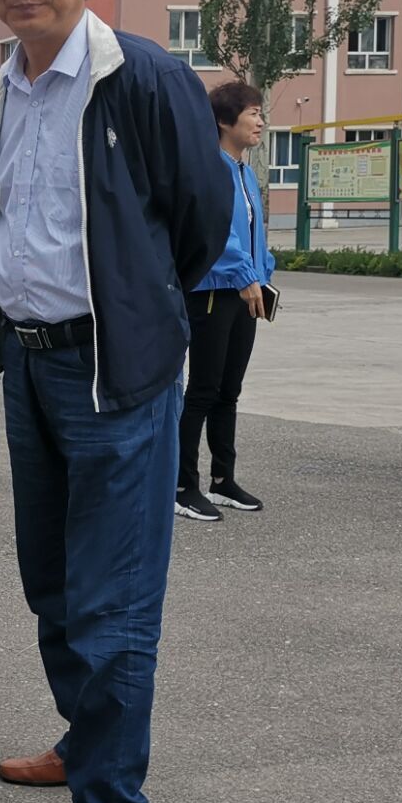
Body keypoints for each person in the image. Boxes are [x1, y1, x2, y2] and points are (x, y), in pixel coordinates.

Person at [0, 0, 231, 803]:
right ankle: (88, 739)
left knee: (112, 592)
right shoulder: (1, 92)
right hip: (28, 361)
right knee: (51, 577)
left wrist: (136, 309)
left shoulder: (144, 77)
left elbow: (201, 220)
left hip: (113, 367)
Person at [175, 81, 277, 523]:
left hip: (246, 292)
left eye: (260, 113)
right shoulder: (209, 169)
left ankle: (223, 480)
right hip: (214, 291)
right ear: (223, 120)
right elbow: (215, 232)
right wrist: (244, 274)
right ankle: (182, 486)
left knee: (229, 391)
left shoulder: (245, 171)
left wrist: (264, 274)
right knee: (202, 390)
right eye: (252, 113)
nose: (260, 121)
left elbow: (254, 234)